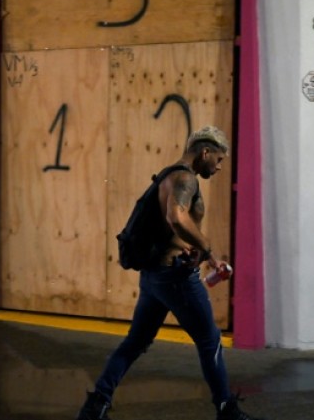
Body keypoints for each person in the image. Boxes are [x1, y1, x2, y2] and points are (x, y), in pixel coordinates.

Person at [76, 126, 262, 420]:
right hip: (175, 278)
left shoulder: (167, 174)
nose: (219, 166)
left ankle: (96, 406)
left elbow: (170, 227)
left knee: (136, 341)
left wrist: (188, 246)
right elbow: (176, 217)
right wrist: (208, 250)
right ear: (206, 152)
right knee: (209, 340)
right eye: (219, 159)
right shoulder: (186, 178)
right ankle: (227, 410)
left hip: (153, 277)